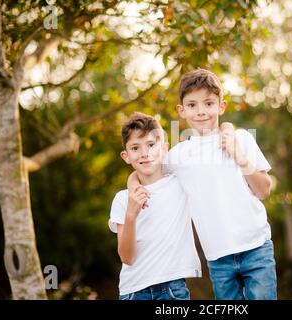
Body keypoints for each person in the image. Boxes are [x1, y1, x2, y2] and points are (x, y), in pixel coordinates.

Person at [129, 69, 277, 300]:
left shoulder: (242, 139)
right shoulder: (179, 156)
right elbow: (145, 169)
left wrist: (239, 155)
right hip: (218, 258)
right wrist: (131, 184)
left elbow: (264, 190)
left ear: (221, 106)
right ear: (182, 110)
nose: (201, 111)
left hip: (256, 248)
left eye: (208, 103)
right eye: (192, 105)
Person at [108, 112, 201, 300]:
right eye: (135, 148)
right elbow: (127, 257)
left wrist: (227, 128)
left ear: (165, 148)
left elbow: (204, 145)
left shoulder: (180, 183)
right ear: (126, 156)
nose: (144, 153)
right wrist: (131, 215)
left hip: (173, 288)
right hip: (134, 291)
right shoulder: (122, 199)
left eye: (151, 145)